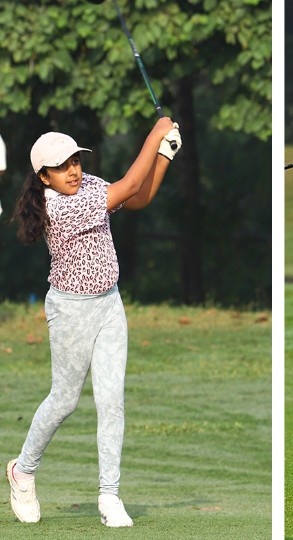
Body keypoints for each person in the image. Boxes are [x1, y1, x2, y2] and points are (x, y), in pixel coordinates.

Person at [7, 118, 181, 528]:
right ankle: (23, 470)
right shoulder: (58, 206)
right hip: (71, 311)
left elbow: (137, 197)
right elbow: (129, 184)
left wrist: (165, 155)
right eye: (61, 166)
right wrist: (155, 134)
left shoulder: (87, 186)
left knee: (111, 400)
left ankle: (109, 495)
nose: (73, 170)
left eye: (75, 161)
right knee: (64, 401)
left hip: (109, 305)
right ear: (44, 176)